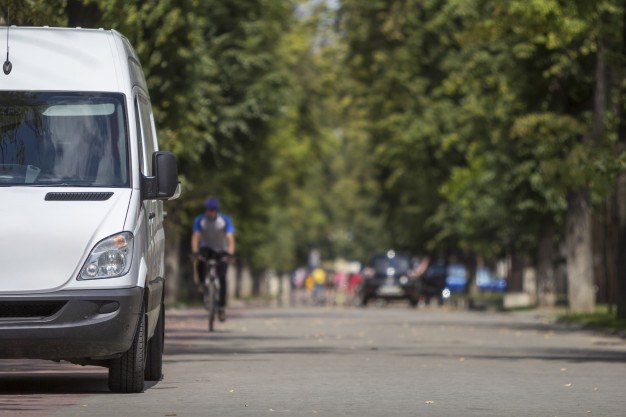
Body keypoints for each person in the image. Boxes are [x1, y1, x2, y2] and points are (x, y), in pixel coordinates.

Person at [191, 197, 235, 321]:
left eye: (212, 210)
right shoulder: (200, 220)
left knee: (222, 279)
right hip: (206, 248)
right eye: (207, 210)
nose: (209, 212)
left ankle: (221, 308)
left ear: (216, 210)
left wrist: (230, 254)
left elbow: (230, 238)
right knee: (200, 262)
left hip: (221, 250)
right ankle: (202, 285)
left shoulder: (224, 220)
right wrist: (195, 252)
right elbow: (195, 236)